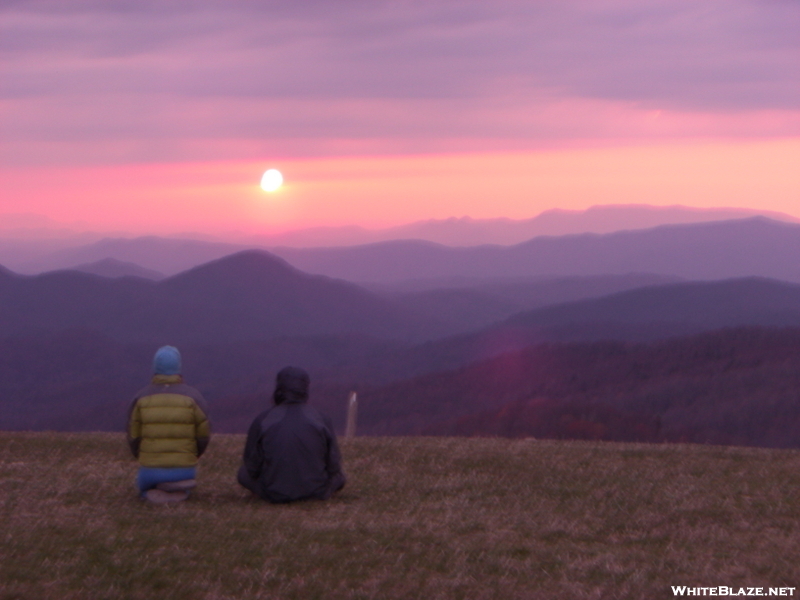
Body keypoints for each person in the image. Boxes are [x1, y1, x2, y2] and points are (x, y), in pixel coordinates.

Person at [238, 366, 346, 503]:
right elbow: (334, 466)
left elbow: (252, 468)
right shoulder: (321, 419)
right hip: (317, 492)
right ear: (305, 389)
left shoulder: (263, 420)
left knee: (242, 474)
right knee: (340, 477)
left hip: (273, 493)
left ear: (278, 389)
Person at [127, 345, 210, 504]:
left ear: (155, 368)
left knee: (143, 484)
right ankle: (180, 489)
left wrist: (144, 457)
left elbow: (133, 437)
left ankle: (150, 492)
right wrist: (192, 455)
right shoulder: (194, 398)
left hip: (149, 471)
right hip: (185, 471)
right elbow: (203, 436)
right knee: (181, 480)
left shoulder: (141, 398)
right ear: (178, 368)